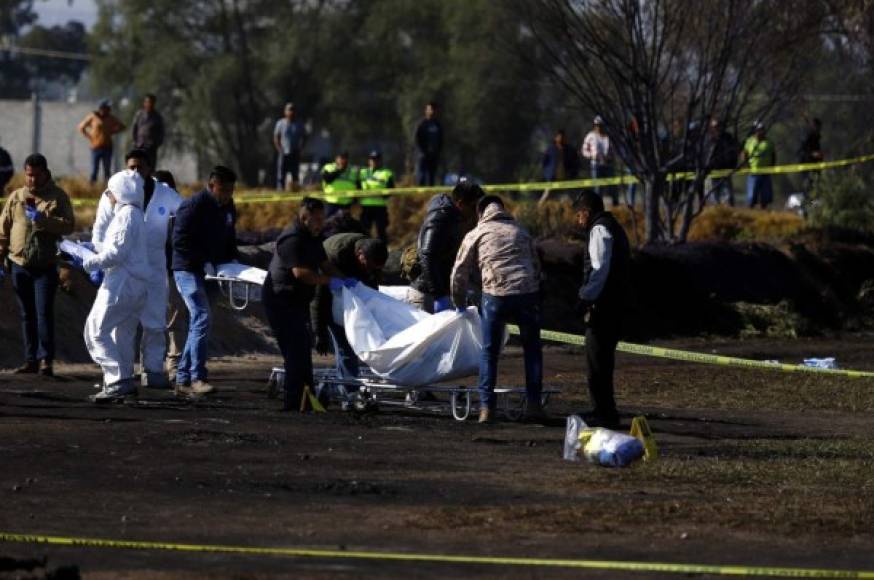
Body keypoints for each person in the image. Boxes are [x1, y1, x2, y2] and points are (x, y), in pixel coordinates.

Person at [91, 149, 182, 389]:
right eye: (130, 167)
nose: (135, 172)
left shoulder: (165, 194)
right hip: (122, 270)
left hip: (154, 269)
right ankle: (122, 376)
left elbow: (185, 214)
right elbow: (99, 230)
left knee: (154, 323)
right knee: (122, 326)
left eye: (139, 167)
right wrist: (103, 257)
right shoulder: (112, 195)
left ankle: (153, 371)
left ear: (150, 169)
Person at [450, 195, 545, 424]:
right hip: (526, 294)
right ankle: (534, 406)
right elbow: (537, 266)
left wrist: (459, 303)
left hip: (495, 295)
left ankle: (486, 409)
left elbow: (459, 272)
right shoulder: (520, 231)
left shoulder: (476, 233)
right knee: (532, 350)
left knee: (489, 352)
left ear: (481, 213)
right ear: (502, 209)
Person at [263, 197, 343, 411]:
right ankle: (293, 401)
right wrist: (330, 281)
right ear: (304, 217)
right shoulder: (292, 238)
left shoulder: (314, 237)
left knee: (302, 349)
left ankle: (305, 399)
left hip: (297, 301)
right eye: (316, 219)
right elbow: (302, 274)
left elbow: (324, 264)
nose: (321, 223)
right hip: (281, 300)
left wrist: (344, 280)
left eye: (322, 218)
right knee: (294, 350)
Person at [0, 154, 74, 376]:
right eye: (28, 175)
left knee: (43, 313)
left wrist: (44, 220)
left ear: (45, 173)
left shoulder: (58, 196)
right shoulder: (17, 197)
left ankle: (46, 360)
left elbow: (68, 225)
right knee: (27, 314)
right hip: (19, 264)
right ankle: (30, 359)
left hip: (45, 265)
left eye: (35, 175)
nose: (31, 180)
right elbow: (3, 229)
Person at [81, 170, 149, 402]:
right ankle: (124, 380)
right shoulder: (135, 214)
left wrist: (86, 261)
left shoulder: (126, 216)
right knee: (120, 335)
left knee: (96, 331)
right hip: (133, 284)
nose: (108, 195)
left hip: (122, 283)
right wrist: (93, 250)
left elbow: (116, 254)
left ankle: (117, 381)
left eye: (111, 191)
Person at [171, 165, 239, 397]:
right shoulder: (193, 206)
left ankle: (183, 379)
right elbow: (180, 242)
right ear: (212, 186)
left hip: (212, 271)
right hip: (188, 269)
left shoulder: (227, 207)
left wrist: (232, 262)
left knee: (199, 322)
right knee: (202, 317)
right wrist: (202, 262)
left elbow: (229, 236)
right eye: (225, 189)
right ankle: (197, 377)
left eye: (231, 190)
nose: (228, 194)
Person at [574, 191, 631, 429]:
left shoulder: (599, 230)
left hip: (605, 306)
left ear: (586, 212)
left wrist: (585, 297)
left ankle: (605, 413)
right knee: (603, 361)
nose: (578, 220)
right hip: (616, 303)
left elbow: (600, 270)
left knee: (597, 361)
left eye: (579, 214)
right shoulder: (613, 226)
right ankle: (603, 409)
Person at [312, 233, 387, 379]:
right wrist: (319, 332)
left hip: (350, 290)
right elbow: (318, 297)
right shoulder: (334, 256)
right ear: (359, 254)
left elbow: (372, 285)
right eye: (368, 266)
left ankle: (345, 385)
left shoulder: (373, 253)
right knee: (346, 347)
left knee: (351, 348)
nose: (369, 270)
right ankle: (348, 394)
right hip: (328, 293)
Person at [408, 179, 484, 313]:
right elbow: (427, 256)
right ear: (460, 203)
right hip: (426, 295)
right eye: (473, 206)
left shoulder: (456, 219)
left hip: (440, 291)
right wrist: (439, 295)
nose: (475, 211)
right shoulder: (440, 218)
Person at [77, 99, 126, 183]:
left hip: (107, 147)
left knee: (107, 170)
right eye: (107, 108)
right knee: (94, 170)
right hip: (95, 147)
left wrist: (112, 131)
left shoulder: (110, 118)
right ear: (102, 108)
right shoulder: (93, 117)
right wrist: (90, 137)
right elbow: (81, 127)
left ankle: (107, 188)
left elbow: (122, 126)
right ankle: (92, 189)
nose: (109, 109)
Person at [358, 150, 394, 243]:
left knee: (381, 231)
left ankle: (382, 251)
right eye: (372, 159)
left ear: (380, 161)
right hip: (366, 207)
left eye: (377, 159)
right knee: (364, 231)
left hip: (380, 206)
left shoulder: (387, 173)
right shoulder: (362, 172)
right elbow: (357, 187)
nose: (374, 162)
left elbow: (391, 190)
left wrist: (381, 195)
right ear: (369, 161)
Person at [581, 115, 617, 205]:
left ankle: (615, 205)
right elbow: (584, 150)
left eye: (601, 125)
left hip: (607, 164)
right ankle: (597, 206)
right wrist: (591, 156)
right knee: (597, 187)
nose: (599, 127)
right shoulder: (590, 136)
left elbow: (614, 150)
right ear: (594, 125)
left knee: (612, 186)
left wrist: (611, 157)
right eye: (597, 125)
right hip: (596, 164)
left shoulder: (608, 136)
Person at [741, 121, 776, 209]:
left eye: (762, 130)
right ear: (755, 131)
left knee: (765, 197)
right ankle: (750, 212)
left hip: (765, 173)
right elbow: (744, 154)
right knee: (752, 197)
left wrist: (771, 167)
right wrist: (746, 165)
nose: (760, 132)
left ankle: (763, 212)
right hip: (753, 173)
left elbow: (773, 155)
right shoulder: (750, 141)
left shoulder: (769, 142)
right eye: (758, 130)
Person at [705, 119, 739, 205]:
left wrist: (732, 165)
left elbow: (733, 152)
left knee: (728, 196)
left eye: (718, 126)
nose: (717, 128)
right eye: (714, 127)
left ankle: (729, 211)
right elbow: (705, 154)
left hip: (726, 171)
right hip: (713, 172)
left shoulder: (728, 138)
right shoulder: (709, 139)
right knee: (714, 196)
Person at [131, 94, 165, 169]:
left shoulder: (157, 117)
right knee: (138, 167)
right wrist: (134, 141)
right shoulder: (139, 114)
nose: (149, 104)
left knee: (150, 167)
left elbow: (161, 132)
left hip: (151, 147)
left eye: (151, 102)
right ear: (144, 103)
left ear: (154, 103)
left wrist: (157, 143)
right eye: (147, 102)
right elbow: (134, 128)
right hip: (139, 145)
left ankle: (150, 180)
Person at [321, 152, 359, 216]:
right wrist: (339, 170)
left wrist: (354, 200)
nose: (343, 160)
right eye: (341, 158)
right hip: (331, 202)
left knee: (344, 224)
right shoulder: (329, 167)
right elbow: (327, 179)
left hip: (346, 204)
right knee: (329, 223)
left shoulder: (353, 170)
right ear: (336, 159)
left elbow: (358, 185)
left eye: (345, 158)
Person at [414, 101, 443, 186]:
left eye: (433, 110)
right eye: (430, 109)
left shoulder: (437, 125)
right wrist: (423, 151)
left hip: (434, 155)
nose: (432, 112)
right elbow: (417, 139)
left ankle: (430, 195)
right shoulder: (422, 124)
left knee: (431, 176)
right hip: (423, 155)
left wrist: (437, 151)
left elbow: (441, 140)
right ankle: (420, 196)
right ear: (426, 110)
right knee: (421, 176)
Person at [797, 116, 823, 194]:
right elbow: (802, 150)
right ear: (814, 126)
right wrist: (812, 154)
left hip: (815, 164)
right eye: (817, 127)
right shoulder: (808, 135)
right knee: (808, 183)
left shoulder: (817, 136)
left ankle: (814, 200)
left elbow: (817, 150)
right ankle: (807, 201)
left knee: (816, 182)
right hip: (806, 163)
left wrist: (819, 156)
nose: (819, 129)